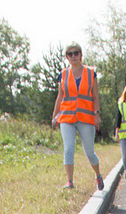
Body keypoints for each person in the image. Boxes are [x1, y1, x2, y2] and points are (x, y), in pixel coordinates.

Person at [52, 43, 104, 191]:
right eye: (70, 54)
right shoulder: (63, 74)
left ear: (81, 55)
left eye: (76, 53)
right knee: (68, 149)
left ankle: (98, 175)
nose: (73, 56)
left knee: (89, 152)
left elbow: (95, 96)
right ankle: (70, 181)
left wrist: (97, 114)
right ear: (67, 57)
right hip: (67, 117)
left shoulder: (90, 73)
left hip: (86, 118)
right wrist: (55, 116)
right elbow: (60, 96)